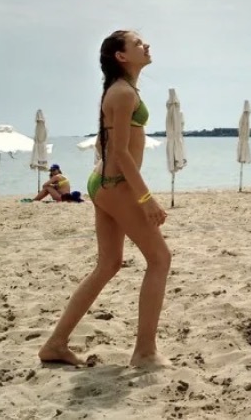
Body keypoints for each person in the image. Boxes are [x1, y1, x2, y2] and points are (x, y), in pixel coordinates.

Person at [39, 31, 171, 369]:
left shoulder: (119, 90)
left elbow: (106, 143)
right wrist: (145, 198)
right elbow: (123, 153)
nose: (146, 45)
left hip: (103, 181)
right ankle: (145, 352)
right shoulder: (123, 93)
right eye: (138, 43)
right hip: (116, 184)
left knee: (108, 264)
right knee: (160, 259)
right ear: (121, 56)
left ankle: (55, 344)